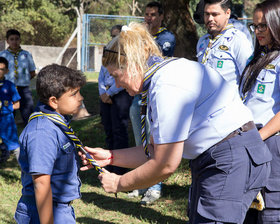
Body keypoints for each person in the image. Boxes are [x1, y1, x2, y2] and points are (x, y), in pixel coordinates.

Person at [80, 22, 271, 223]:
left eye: (116, 76)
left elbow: (166, 164)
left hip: (229, 158)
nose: (116, 84)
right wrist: (110, 157)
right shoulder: (160, 78)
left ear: (133, 64)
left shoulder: (166, 85)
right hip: (221, 157)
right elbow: (154, 152)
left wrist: (119, 182)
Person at [14, 64, 85, 223]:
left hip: (59, 208)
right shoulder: (43, 132)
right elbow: (41, 183)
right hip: (44, 211)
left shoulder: (57, 123)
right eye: (74, 94)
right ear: (54, 101)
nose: (81, 98)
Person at [128, 1, 176, 205]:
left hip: (155, 95)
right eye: (146, 14)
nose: (149, 18)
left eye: (153, 14)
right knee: (140, 142)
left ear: (161, 16)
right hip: (138, 95)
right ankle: (140, 181)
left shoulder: (166, 38)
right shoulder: (140, 36)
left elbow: (155, 59)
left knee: (154, 142)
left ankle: (154, 186)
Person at [239, 0, 280, 222]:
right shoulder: (256, 58)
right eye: (255, 26)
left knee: (270, 212)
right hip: (249, 140)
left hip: (270, 142)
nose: (258, 31)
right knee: (249, 210)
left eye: (263, 25)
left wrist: (258, 138)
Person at [196, 0, 253, 91]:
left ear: (227, 13)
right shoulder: (203, 41)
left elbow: (249, 79)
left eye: (215, 14)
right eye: (207, 14)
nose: (210, 18)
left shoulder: (238, 40)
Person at [99, 25, 132, 175]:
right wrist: (102, 92)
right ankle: (110, 163)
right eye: (112, 36)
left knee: (119, 130)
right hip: (105, 95)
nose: (114, 39)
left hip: (119, 94)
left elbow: (122, 78)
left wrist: (110, 92)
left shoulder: (125, 54)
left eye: (117, 36)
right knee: (109, 129)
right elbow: (102, 73)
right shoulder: (108, 51)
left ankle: (120, 168)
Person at [0, 29, 36, 126]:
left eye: (17, 39)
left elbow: (32, 72)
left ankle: (30, 129)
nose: (14, 42)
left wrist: (23, 81)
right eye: (12, 39)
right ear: (7, 41)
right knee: (7, 111)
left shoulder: (26, 55)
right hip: (7, 89)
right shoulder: (2, 55)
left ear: (20, 40)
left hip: (23, 88)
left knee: (28, 110)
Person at [0, 57, 20, 165]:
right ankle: (4, 154)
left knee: (13, 144)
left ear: (6, 71)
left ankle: (24, 170)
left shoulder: (9, 85)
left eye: (2, 69)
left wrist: (5, 108)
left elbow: (17, 104)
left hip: (6, 118)